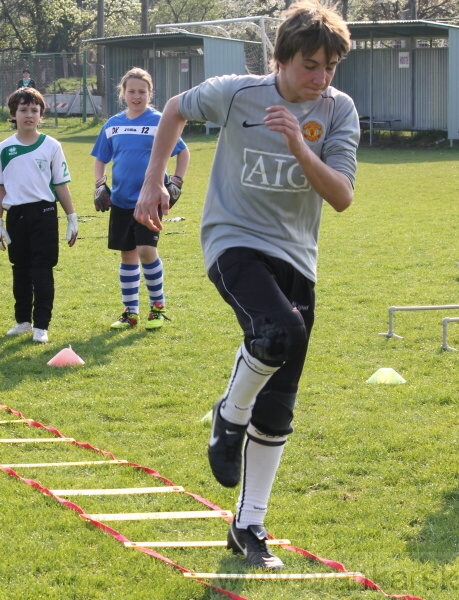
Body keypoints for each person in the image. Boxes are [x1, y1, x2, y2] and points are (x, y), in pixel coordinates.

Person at [134, 0, 359, 569]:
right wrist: (152, 182)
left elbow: (341, 197)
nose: (321, 77)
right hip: (232, 240)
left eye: (330, 67)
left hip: (298, 258)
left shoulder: (339, 111)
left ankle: (249, 527)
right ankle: (229, 416)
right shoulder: (238, 93)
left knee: (281, 398)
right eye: (311, 65)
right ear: (281, 58)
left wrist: (299, 146)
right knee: (278, 328)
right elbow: (175, 111)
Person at [91, 67, 189, 330]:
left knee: (146, 251)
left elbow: (183, 152)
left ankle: (157, 307)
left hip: (149, 201)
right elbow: (101, 159)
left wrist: (177, 181)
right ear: (123, 93)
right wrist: (100, 184)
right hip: (121, 201)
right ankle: (130, 312)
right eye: (131, 91)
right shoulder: (112, 125)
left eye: (142, 91)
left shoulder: (160, 121)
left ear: (150, 93)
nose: (137, 96)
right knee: (128, 256)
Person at [0, 87, 78, 344]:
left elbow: (61, 184)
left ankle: (41, 325)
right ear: (13, 114)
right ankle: (23, 321)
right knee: (20, 269)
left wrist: (72, 218)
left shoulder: (51, 146)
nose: (29, 115)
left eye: (34, 111)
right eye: (23, 110)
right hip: (15, 215)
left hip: (44, 213)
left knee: (42, 269)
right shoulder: (3, 149)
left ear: (41, 115)